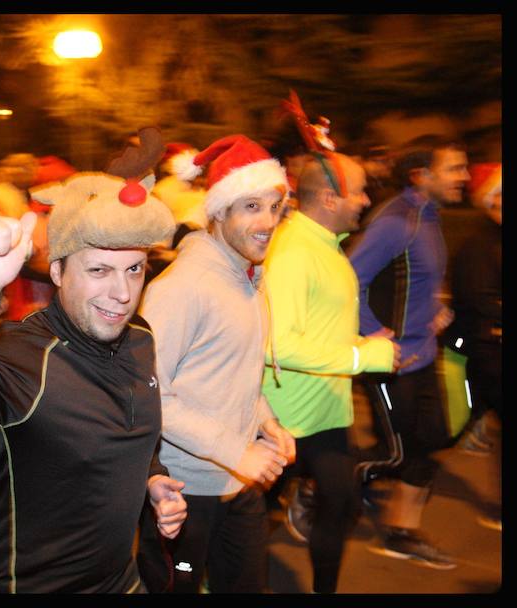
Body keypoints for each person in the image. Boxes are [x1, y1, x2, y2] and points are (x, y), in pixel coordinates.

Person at [0, 170, 188, 593]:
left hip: (121, 583)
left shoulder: (140, 336)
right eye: (99, 270)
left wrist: (152, 478)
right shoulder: (19, 354)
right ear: (58, 271)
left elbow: (127, 426)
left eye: (134, 269)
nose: (122, 292)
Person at [136, 134, 296, 593]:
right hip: (182, 492)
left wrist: (266, 423)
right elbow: (149, 394)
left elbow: (232, 373)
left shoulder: (248, 276)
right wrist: (236, 450)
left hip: (238, 481)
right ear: (220, 211)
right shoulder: (182, 287)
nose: (268, 221)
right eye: (252, 206)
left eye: (275, 206)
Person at [260, 153, 399, 593]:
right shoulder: (293, 252)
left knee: (340, 505)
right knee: (246, 518)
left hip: (326, 413)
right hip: (281, 418)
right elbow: (278, 346)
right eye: (358, 191)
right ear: (328, 198)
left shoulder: (326, 244)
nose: (366, 200)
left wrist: (364, 343)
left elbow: (318, 328)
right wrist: (363, 357)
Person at [348, 136, 470, 570]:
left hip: (425, 354)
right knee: (397, 452)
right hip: (392, 363)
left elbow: (415, 279)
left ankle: (401, 533)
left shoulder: (429, 216)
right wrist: (375, 334)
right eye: (454, 168)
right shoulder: (396, 220)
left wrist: (435, 308)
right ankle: (315, 484)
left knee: (432, 441)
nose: (464, 176)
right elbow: (349, 279)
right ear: (422, 175)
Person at [445, 162, 501, 529]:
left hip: (488, 347)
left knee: (446, 430)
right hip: (481, 350)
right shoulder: (479, 244)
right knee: (439, 433)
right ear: (491, 199)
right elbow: (479, 299)